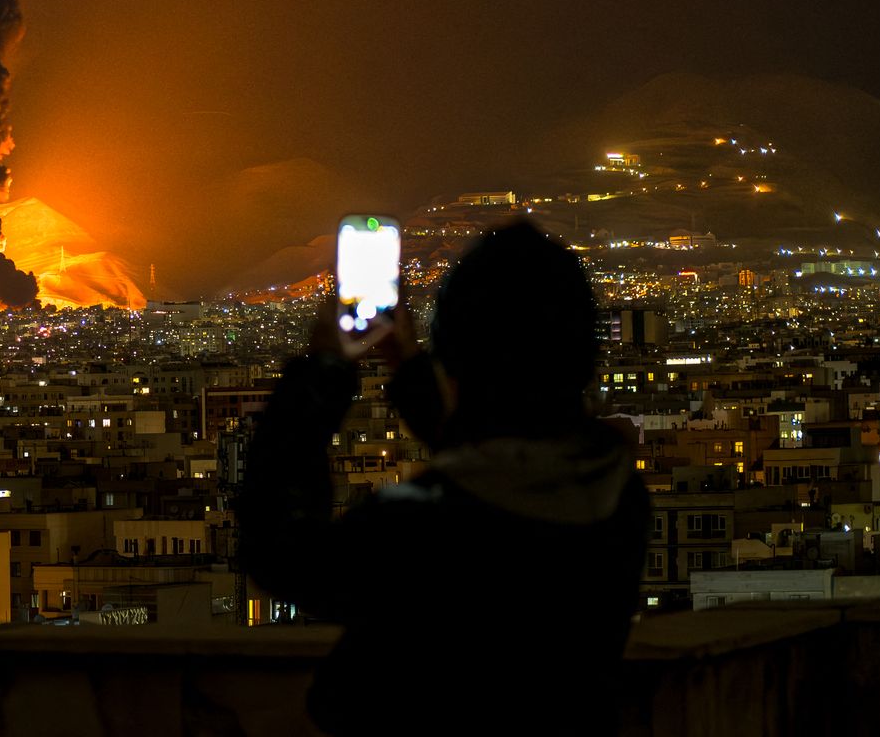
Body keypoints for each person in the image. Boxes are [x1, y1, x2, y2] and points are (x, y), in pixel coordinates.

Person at [237, 219, 649, 736]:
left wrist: (322, 371)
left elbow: (279, 553)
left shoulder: (418, 525)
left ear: (456, 365)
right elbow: (500, 457)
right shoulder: (617, 497)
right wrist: (411, 367)